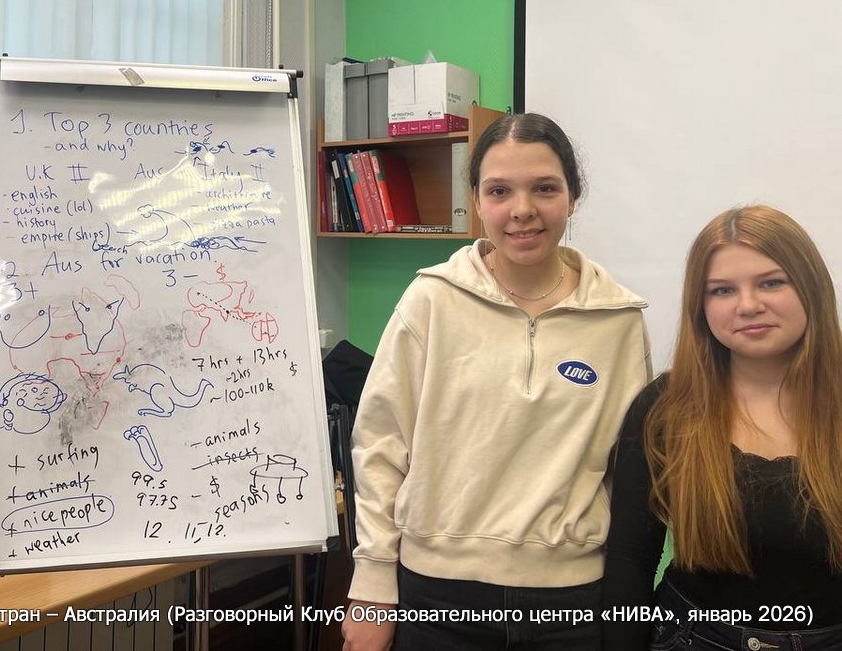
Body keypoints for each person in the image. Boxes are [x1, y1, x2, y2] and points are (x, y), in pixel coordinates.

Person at [341, 113, 651, 651]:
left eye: (545, 188)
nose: (522, 210)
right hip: (436, 597)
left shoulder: (617, 318)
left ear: (573, 197)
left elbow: (629, 477)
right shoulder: (432, 300)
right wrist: (371, 587)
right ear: (478, 201)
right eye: (500, 191)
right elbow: (380, 447)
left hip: (571, 604)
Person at [602, 205, 842, 651]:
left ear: (810, 285)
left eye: (771, 282)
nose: (748, 305)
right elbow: (630, 561)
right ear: (701, 306)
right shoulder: (664, 409)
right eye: (723, 290)